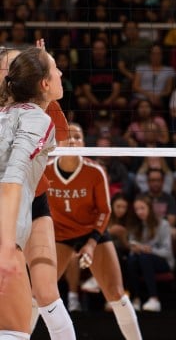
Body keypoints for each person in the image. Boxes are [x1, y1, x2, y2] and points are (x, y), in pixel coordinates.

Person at [2, 44, 77, 339]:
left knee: (45, 292)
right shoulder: (19, 116)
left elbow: (60, 133)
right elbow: (11, 179)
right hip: (9, 209)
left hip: (33, 201)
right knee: (14, 327)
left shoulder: (33, 115)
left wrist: (43, 86)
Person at [45, 123, 142, 340]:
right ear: (58, 142)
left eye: (78, 137)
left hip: (92, 232)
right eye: (67, 136)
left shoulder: (95, 171)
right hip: (61, 235)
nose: (72, 141)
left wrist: (91, 243)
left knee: (116, 294)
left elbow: (105, 211)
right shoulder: (46, 169)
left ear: (84, 143)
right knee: (37, 295)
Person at [125, 195, 174, 313]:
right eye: (137, 209)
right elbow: (132, 245)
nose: (139, 212)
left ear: (150, 208)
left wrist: (150, 250)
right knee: (132, 260)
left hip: (163, 261)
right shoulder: (135, 225)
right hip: (141, 260)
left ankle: (154, 298)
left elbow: (167, 252)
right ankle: (136, 299)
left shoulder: (163, 224)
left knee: (144, 257)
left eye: (142, 208)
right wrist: (134, 249)